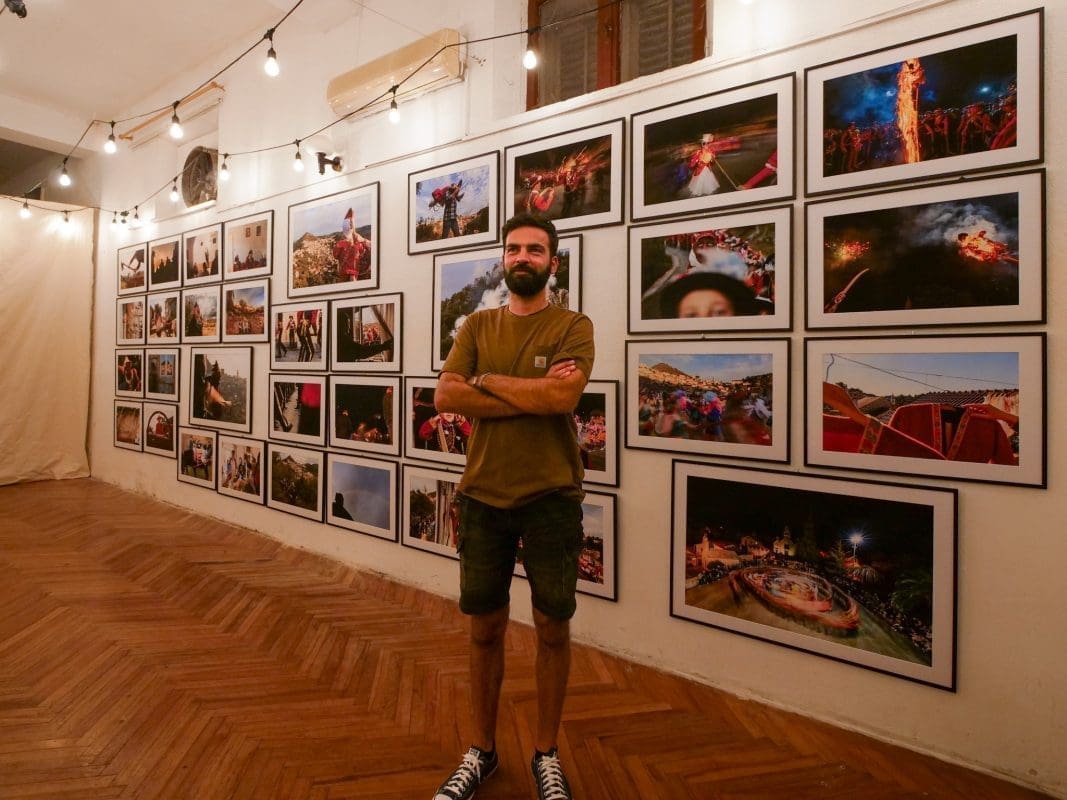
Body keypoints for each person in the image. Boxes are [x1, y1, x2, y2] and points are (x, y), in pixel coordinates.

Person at [432, 213, 594, 800]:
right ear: (504, 259)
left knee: (552, 628)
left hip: (552, 496)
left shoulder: (574, 326)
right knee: (484, 629)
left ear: (553, 260)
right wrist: (525, 388)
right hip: (482, 496)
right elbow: (447, 393)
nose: (522, 257)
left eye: (535, 249)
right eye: (513, 249)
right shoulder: (477, 324)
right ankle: (481, 750)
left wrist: (489, 382)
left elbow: (561, 395)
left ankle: (545, 753)